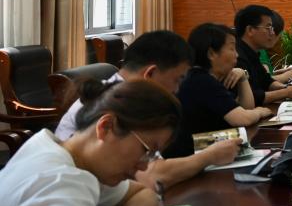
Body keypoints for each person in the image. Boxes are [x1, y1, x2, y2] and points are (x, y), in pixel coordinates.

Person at [0, 80, 188, 206]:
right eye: (147, 150)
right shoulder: (56, 176)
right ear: (106, 127)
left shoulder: (68, 157)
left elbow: (142, 193)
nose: (144, 166)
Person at [54, 30, 240, 187]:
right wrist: (210, 156)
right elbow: (152, 176)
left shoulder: (125, 96)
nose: (176, 90)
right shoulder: (115, 104)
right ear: (150, 74)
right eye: (177, 80)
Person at [165, 24, 274, 158]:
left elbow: (246, 108)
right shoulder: (201, 80)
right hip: (192, 154)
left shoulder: (206, 77)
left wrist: (243, 78)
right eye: (232, 48)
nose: (237, 54)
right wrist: (261, 111)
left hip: (201, 148)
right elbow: (243, 118)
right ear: (211, 53)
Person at [234, 4, 292, 105]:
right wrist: (286, 92)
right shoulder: (236, 56)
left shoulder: (252, 52)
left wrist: (289, 88)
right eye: (268, 27)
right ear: (250, 30)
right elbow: (251, 97)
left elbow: (266, 82)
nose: (272, 33)